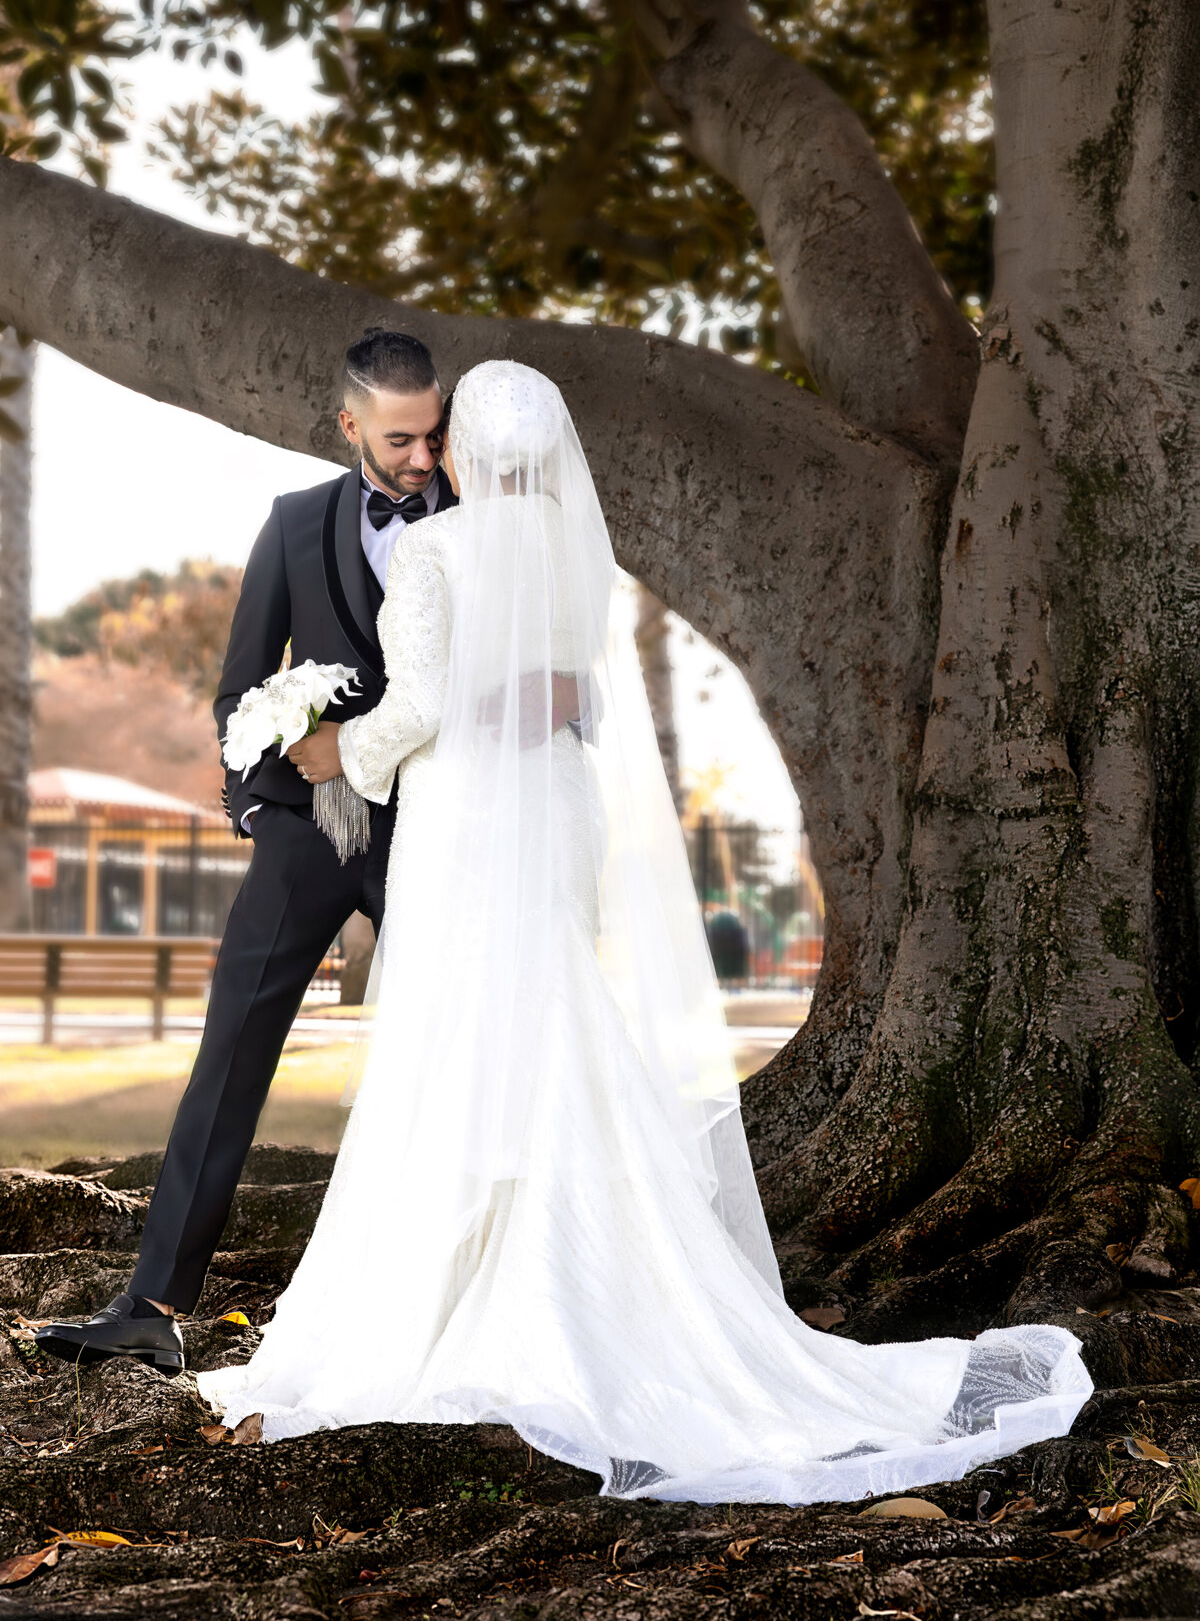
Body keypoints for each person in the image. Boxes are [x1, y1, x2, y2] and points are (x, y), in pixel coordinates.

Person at [195, 360, 1092, 1506]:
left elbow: (420, 713)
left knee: (467, 1020)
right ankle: (594, 1260)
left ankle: (489, 1273)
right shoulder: (579, 551)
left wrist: (333, 752)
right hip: (556, 808)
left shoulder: (433, 551)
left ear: (465, 451)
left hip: (473, 813)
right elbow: (574, 698)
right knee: (550, 1000)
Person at [34, 328, 457, 1375]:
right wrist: (260, 807)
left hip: (444, 832)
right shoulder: (291, 524)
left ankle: (463, 1298)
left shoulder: (490, 527)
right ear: (349, 424)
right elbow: (239, 686)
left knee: (464, 1049)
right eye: (400, 437)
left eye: (434, 434)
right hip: (305, 835)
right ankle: (154, 1303)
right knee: (229, 1055)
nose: (421, 457)